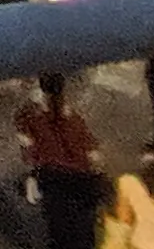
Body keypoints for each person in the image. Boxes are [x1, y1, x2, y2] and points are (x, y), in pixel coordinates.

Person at [18, 72, 108, 249]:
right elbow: (93, 152)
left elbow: (29, 150)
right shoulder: (73, 116)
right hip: (84, 181)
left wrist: (33, 176)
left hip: (55, 181)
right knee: (84, 234)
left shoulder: (27, 116)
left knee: (60, 234)